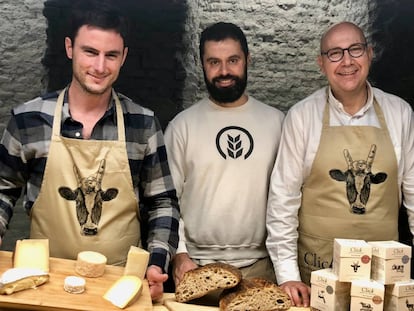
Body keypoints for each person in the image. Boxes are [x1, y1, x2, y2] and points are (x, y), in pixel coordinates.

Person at [0, 0, 179, 300]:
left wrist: (157, 262)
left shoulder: (144, 125)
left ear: (123, 57)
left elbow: (163, 203)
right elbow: (3, 190)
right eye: (90, 52)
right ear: (70, 48)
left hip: (121, 285)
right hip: (43, 282)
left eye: (110, 55)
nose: (99, 66)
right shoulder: (29, 120)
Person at [266, 21, 414, 307]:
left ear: (370, 54)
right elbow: (282, 199)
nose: (346, 61)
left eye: (355, 49)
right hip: (316, 276)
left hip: (381, 280)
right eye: (335, 53)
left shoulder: (400, 113)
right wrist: (287, 275)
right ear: (321, 64)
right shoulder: (302, 116)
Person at [164, 22, 285, 289]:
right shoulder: (181, 126)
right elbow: (166, 201)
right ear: (202, 65)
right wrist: (180, 254)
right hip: (196, 267)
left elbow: (288, 201)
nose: (224, 71)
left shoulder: (277, 123)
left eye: (233, 60)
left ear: (248, 60)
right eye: (214, 62)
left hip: (262, 267)